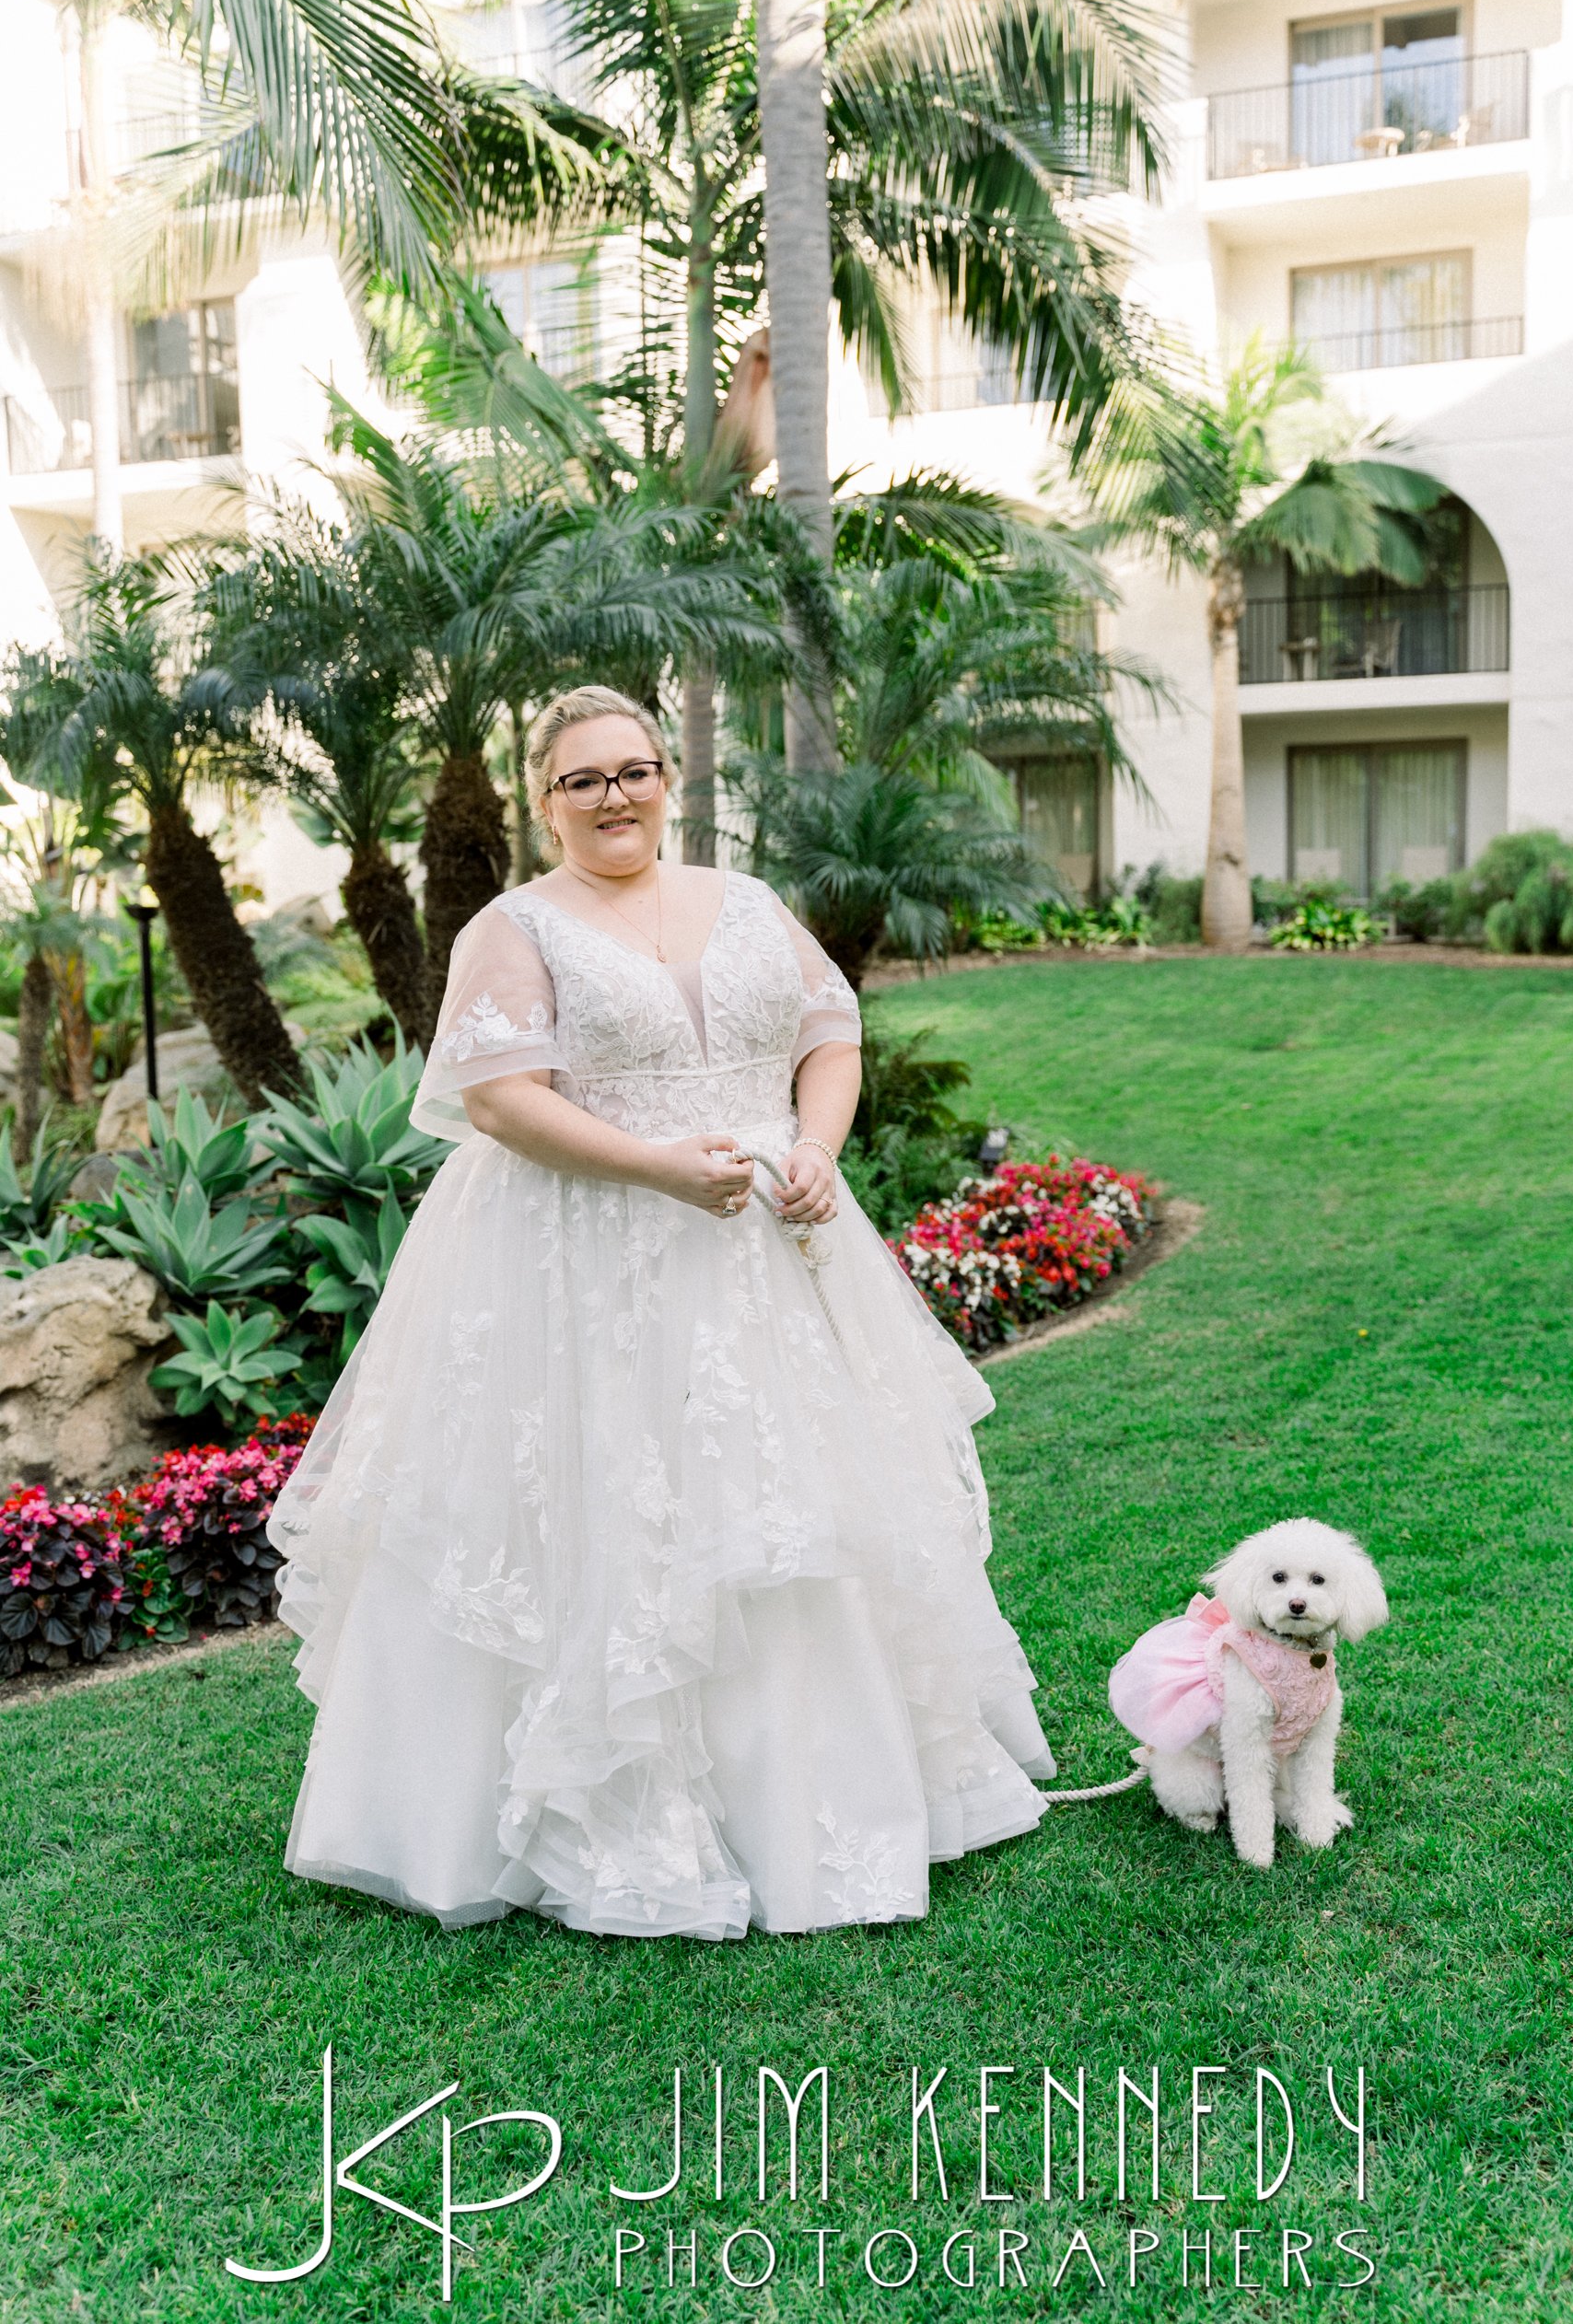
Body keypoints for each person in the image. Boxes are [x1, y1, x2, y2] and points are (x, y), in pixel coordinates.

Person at [268, 685, 1056, 1938]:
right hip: (586, 1253)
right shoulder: (514, 927)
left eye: (633, 770)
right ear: (544, 803)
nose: (615, 796)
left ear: (666, 779)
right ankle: (599, 1817)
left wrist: (815, 1147)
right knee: (608, 1505)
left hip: (769, 1246)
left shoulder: (744, 902)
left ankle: (820, 1798)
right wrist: (655, 1168)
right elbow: (500, 1098)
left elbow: (830, 1033)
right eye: (583, 780)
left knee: (788, 1506)